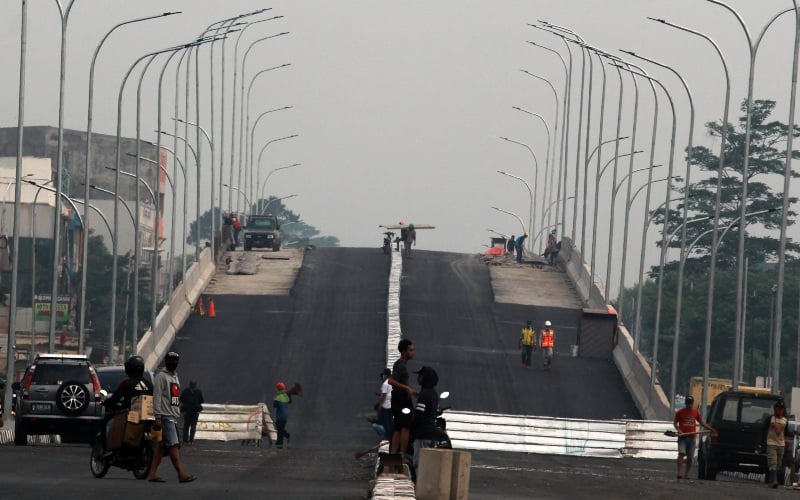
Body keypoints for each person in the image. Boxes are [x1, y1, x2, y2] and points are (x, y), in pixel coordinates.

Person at [146, 351, 196, 483]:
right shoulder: (161, 377)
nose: (173, 363)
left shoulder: (175, 377)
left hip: (172, 416)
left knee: (162, 448)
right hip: (165, 416)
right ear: (166, 361)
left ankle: (152, 474)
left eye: (175, 361)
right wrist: (157, 417)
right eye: (170, 360)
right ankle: (181, 474)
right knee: (173, 445)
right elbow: (157, 397)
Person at [102, 355, 153, 449]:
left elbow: (115, 398)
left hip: (129, 416)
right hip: (146, 417)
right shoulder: (149, 385)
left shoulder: (127, 383)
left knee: (109, 425)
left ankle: (111, 448)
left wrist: (106, 403)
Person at [389, 339, 418, 463]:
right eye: (411, 350)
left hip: (398, 399)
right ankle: (402, 456)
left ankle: (393, 455)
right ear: (404, 351)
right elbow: (391, 381)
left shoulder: (399, 364)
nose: (413, 353)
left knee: (397, 428)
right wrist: (406, 388)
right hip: (402, 401)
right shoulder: (401, 365)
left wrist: (411, 391)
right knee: (405, 428)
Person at [672, 395, 715, 479]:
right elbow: (675, 423)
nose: (689, 405)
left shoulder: (695, 412)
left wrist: (711, 429)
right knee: (681, 454)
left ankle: (686, 474)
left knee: (690, 457)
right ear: (685, 404)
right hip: (683, 438)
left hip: (692, 438)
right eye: (688, 403)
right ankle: (679, 473)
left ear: (692, 403)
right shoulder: (680, 412)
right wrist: (679, 430)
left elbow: (702, 423)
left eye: (690, 403)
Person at [410, 365, 440, 470]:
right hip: (432, 433)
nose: (418, 378)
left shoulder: (424, 394)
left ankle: (420, 484)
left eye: (420, 376)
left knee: (419, 463)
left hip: (423, 433)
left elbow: (419, 414)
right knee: (429, 464)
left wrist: (411, 426)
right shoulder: (434, 394)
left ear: (425, 378)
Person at [765, 399, 788, 488]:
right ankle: (774, 480)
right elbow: (764, 431)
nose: (780, 411)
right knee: (773, 462)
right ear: (775, 409)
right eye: (778, 409)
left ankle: (772, 479)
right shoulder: (770, 419)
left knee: (778, 464)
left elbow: (785, 433)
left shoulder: (785, 420)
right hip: (771, 443)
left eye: (781, 409)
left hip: (781, 444)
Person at [370, 368, 393, 442]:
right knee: (388, 421)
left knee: (386, 422)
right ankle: (389, 436)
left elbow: (384, 396)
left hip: (387, 405)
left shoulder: (385, 384)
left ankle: (387, 437)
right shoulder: (392, 382)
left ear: (385, 375)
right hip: (391, 404)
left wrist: (380, 404)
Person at [180, 379, 204, 446]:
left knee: (191, 427)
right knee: (187, 427)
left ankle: (190, 440)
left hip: (193, 412)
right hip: (188, 411)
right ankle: (186, 440)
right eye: (192, 384)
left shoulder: (195, 392)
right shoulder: (195, 392)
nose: (193, 385)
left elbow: (181, 400)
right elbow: (201, 401)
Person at [274, 381, 292, 449]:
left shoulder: (278, 397)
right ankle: (279, 441)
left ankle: (283, 439)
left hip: (279, 416)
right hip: (285, 416)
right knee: (280, 428)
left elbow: (274, 405)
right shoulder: (286, 396)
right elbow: (290, 401)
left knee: (279, 428)